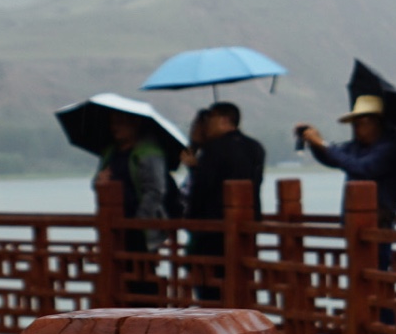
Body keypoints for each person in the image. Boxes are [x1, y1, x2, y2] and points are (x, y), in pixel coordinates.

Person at [180, 101, 267, 302]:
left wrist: (195, 168)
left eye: (210, 119)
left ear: (223, 119)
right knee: (241, 283)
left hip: (213, 230)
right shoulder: (255, 147)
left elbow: (204, 189)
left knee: (212, 290)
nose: (207, 124)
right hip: (247, 227)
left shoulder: (213, 149)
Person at [91, 109, 174, 299]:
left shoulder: (148, 152)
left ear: (135, 125)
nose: (115, 128)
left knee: (142, 279)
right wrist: (99, 182)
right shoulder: (110, 152)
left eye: (121, 122)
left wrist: (138, 222)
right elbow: (97, 183)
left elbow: (156, 190)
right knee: (116, 279)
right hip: (113, 228)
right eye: (113, 123)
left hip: (141, 229)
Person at [294, 92, 396, 204]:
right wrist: (313, 142)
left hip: (378, 218)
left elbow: (361, 168)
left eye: (359, 123)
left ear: (375, 122)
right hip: (352, 214)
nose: (355, 128)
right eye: (354, 124)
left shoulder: (389, 148)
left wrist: (323, 144)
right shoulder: (356, 147)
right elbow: (332, 159)